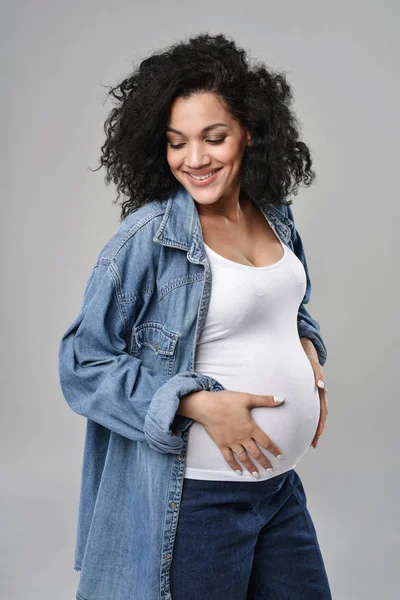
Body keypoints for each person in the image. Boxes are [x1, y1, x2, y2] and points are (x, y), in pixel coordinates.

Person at [58, 33, 331, 600]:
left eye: (214, 138)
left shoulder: (275, 215)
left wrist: (310, 357)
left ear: (249, 132)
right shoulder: (149, 237)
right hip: (197, 501)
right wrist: (194, 402)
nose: (195, 159)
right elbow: (81, 363)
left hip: (277, 491)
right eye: (177, 142)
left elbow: (288, 308)